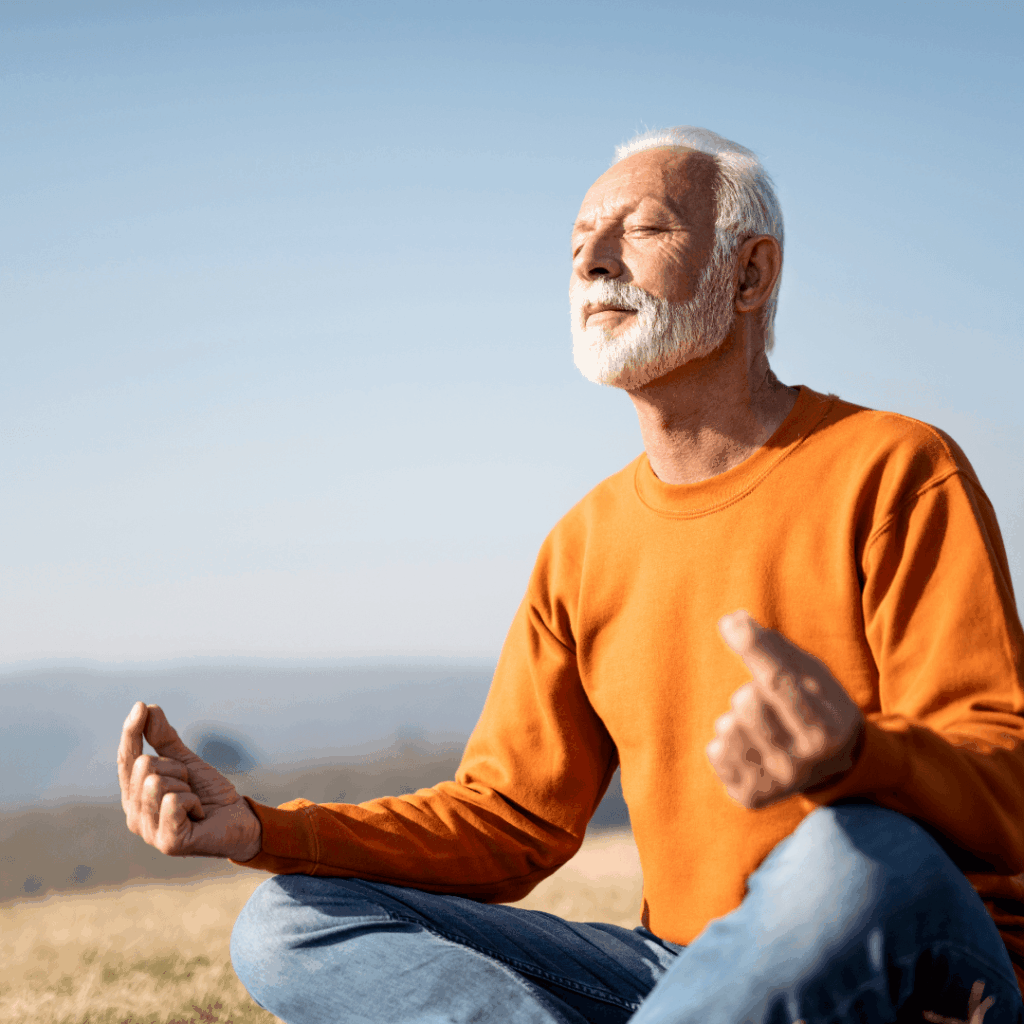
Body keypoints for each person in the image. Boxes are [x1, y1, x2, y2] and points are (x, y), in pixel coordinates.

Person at [118, 126, 1024, 1024]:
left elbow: (1006, 780)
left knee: (850, 851)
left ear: (750, 274)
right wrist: (264, 829)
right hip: (681, 965)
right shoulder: (582, 544)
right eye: (579, 242)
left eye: (646, 229)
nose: (593, 260)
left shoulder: (896, 468)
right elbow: (509, 820)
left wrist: (858, 760)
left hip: (915, 945)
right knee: (287, 926)